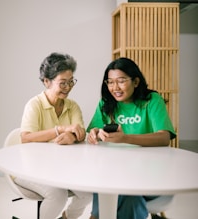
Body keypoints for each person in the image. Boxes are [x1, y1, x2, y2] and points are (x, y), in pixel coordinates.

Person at [86, 57, 176, 219]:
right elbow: (94, 130)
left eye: (121, 81)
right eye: (110, 82)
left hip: (152, 173)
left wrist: (125, 138)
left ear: (135, 82)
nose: (115, 88)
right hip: (117, 171)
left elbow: (164, 138)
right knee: (111, 184)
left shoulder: (151, 101)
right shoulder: (106, 104)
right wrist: (95, 134)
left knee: (125, 190)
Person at [14, 52, 92, 219]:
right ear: (46, 81)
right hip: (29, 169)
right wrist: (61, 129)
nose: (68, 87)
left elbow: (80, 132)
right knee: (58, 196)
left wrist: (72, 136)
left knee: (88, 192)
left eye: (71, 82)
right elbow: (26, 137)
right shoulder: (34, 105)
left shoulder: (73, 106)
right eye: (62, 83)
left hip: (61, 168)